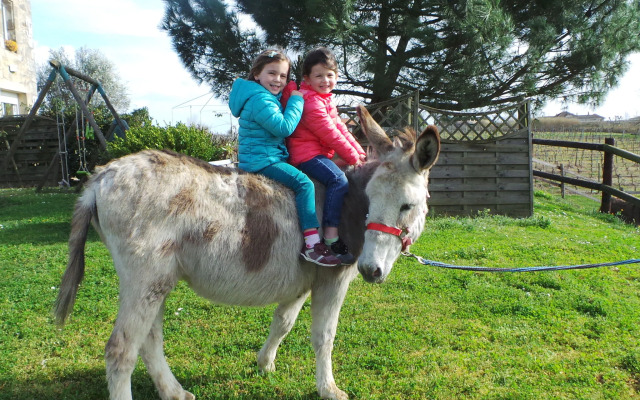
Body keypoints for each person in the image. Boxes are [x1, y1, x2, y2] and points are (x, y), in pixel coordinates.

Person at [229, 49, 341, 267]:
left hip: (266, 156)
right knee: (304, 184)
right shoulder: (260, 100)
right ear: (256, 74)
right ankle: (312, 244)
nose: (278, 80)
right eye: (272, 73)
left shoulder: (263, 96)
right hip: (262, 161)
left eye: (283, 76)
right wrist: (297, 101)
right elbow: (284, 127)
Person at [282, 47, 366, 265]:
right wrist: (352, 158)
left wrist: (359, 153)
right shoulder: (311, 102)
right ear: (307, 78)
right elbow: (330, 135)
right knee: (338, 179)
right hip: (305, 155)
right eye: (318, 75)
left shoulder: (326, 100)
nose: (325, 80)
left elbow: (342, 130)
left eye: (330, 75)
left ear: (337, 77)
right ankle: (330, 235)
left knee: (343, 171)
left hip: (318, 154)